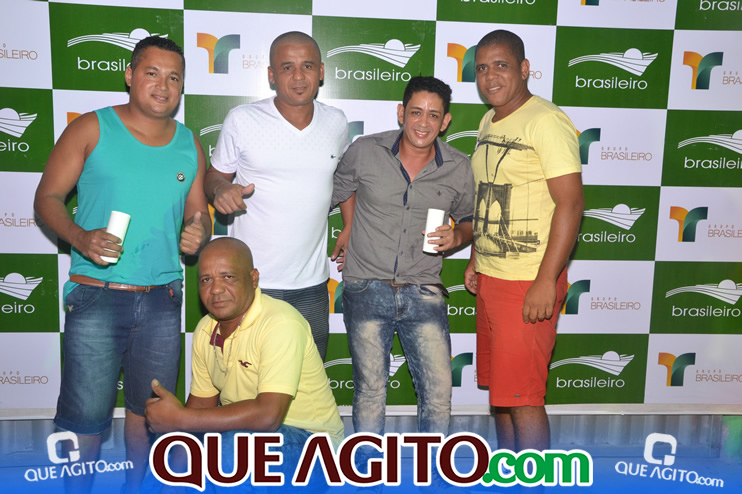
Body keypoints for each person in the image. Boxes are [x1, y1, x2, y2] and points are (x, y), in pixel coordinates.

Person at [34, 36, 211, 494]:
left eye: (174, 77)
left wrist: (199, 231)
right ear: (130, 76)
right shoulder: (91, 128)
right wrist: (79, 236)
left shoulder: (189, 144)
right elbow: (47, 197)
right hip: (96, 295)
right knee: (84, 422)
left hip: (163, 299)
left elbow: (199, 213)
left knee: (151, 416)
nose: (163, 85)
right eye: (152, 73)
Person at [332, 76, 475, 440]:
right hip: (365, 287)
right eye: (416, 112)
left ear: (445, 122)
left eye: (433, 115)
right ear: (401, 113)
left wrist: (458, 236)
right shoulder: (365, 150)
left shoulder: (459, 166)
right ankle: (367, 465)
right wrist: (349, 225)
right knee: (369, 390)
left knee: (438, 395)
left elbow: (471, 219)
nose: (423, 122)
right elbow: (342, 187)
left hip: (423, 289)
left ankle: (434, 466)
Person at [464, 29, 584, 453]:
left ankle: (535, 480)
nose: (490, 76)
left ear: (525, 68)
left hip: (527, 281)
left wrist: (546, 280)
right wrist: (476, 257)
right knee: (502, 395)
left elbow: (571, 204)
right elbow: (489, 194)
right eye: (482, 68)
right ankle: (507, 473)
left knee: (524, 398)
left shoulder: (546, 120)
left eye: (501, 65)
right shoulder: (489, 120)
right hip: (492, 276)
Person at [144, 237, 344, 489]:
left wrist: (180, 418)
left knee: (233, 449)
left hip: (315, 449)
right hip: (247, 437)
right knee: (162, 470)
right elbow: (200, 408)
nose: (215, 290)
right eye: (206, 280)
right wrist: (174, 479)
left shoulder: (280, 323)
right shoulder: (205, 329)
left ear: (253, 278)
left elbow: (268, 417)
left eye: (228, 277)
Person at [204, 31, 349, 360]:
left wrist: (350, 224)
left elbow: (343, 178)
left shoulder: (336, 122)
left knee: (308, 379)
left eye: (307, 66)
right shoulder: (242, 119)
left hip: (312, 285)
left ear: (321, 72)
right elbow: (214, 176)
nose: (298, 76)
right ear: (271, 74)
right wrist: (220, 189)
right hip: (252, 283)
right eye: (287, 67)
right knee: (245, 379)